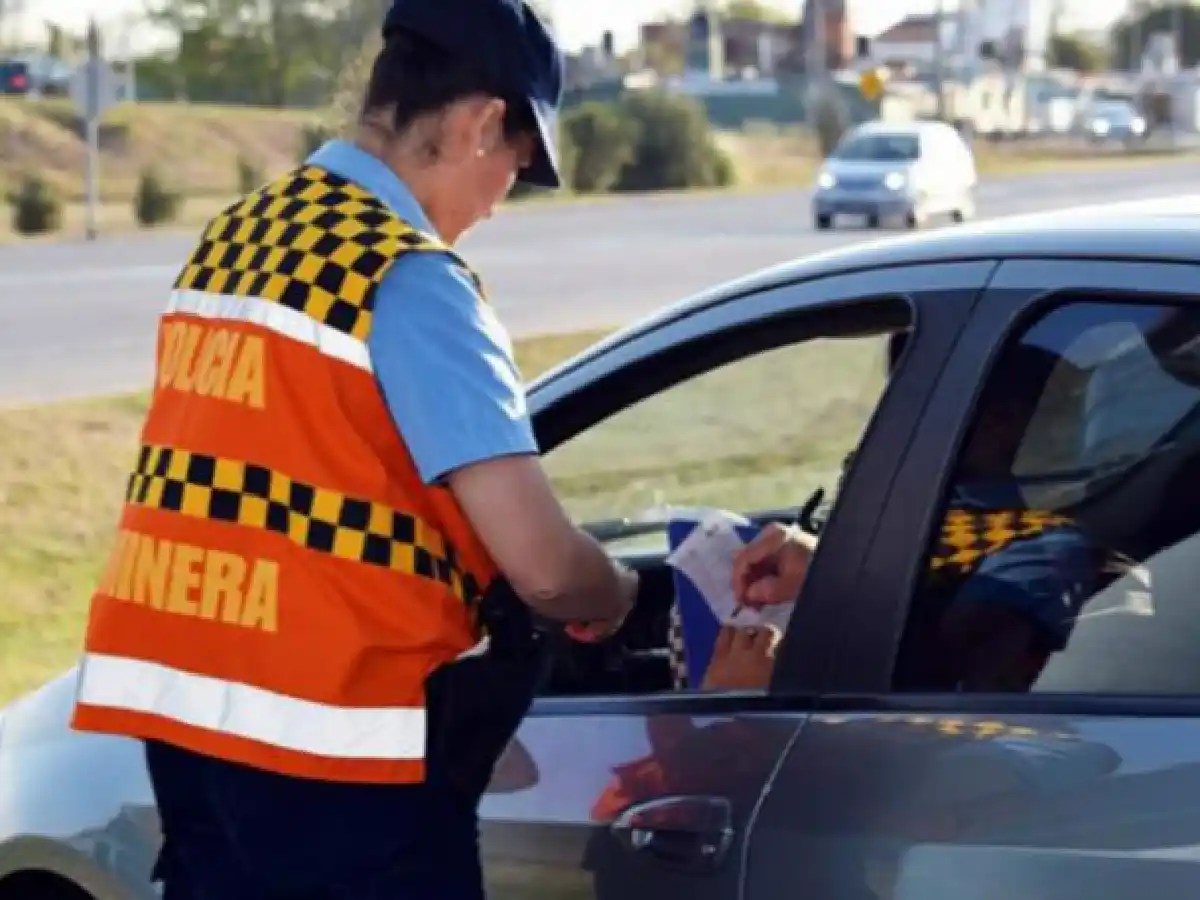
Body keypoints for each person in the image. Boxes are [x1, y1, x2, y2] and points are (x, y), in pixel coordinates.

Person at [69, 3, 636, 898]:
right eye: (513, 171)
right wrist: (622, 592)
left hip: (194, 734)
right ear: (481, 120)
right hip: (339, 764)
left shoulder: (238, 235)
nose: (494, 207)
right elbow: (546, 572)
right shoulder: (405, 279)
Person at [705, 335, 1117, 693]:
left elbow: (962, 693)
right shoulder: (915, 518)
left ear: (1000, 424)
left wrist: (741, 708)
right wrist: (829, 562)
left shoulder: (1038, 548)